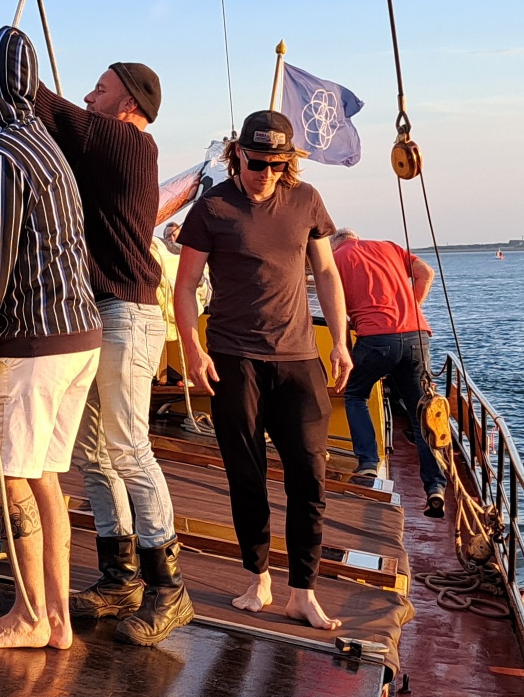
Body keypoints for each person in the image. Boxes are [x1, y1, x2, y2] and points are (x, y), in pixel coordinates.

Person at [0, 7, 187, 645]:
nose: (88, 97)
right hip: (89, 317)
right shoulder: (68, 154)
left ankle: (168, 587)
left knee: (125, 449)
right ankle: (117, 577)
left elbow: (40, 103)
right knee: (91, 457)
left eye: (100, 89)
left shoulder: (128, 143)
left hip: (118, 313)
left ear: (129, 105)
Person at [174, 110, 354, 631]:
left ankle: (303, 592)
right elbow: (185, 286)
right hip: (234, 358)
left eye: (277, 165)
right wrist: (192, 349)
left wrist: (340, 342)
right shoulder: (212, 208)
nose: (266, 174)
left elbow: (326, 272)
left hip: (298, 358)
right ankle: (258, 578)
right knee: (246, 475)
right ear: (238, 156)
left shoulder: (306, 200)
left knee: (309, 477)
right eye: (257, 163)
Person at [0, 25, 103, 651]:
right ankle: (57, 619)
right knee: (43, 477)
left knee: (7, 478)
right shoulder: (45, 143)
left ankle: (29, 614)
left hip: (34, 340)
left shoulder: (2, 154)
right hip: (81, 333)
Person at [331, 230, 448, 517]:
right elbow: (426, 273)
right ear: (356, 237)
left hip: (375, 339)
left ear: (335, 243)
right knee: (420, 412)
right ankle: (435, 486)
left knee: (356, 394)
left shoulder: (336, 258)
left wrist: (344, 350)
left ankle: (368, 463)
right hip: (416, 334)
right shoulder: (388, 247)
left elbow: (337, 309)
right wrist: (413, 307)